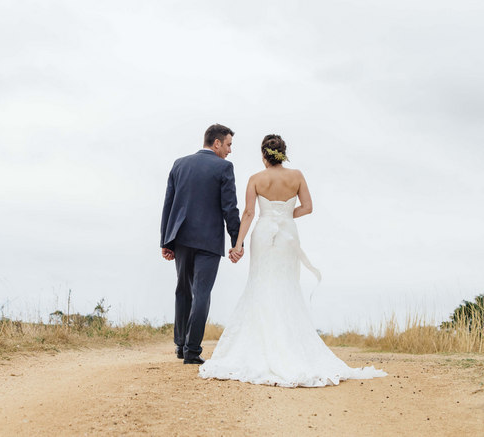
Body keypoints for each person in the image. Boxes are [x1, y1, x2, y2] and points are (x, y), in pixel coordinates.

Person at [198, 134, 387, 386]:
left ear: (264, 155)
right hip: (287, 234)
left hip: (263, 233)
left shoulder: (256, 179)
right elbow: (308, 207)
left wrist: (238, 244)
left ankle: (262, 344)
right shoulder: (296, 176)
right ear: (283, 153)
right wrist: (285, 215)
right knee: (287, 285)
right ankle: (290, 344)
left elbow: (249, 213)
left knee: (260, 284)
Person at [160, 124, 243, 365]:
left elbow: (168, 205)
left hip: (181, 237)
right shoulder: (224, 167)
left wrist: (166, 240)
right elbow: (230, 208)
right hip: (208, 240)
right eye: (228, 145)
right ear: (216, 143)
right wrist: (237, 241)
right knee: (202, 293)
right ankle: (192, 351)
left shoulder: (179, 164)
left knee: (183, 290)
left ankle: (180, 346)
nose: (229, 151)